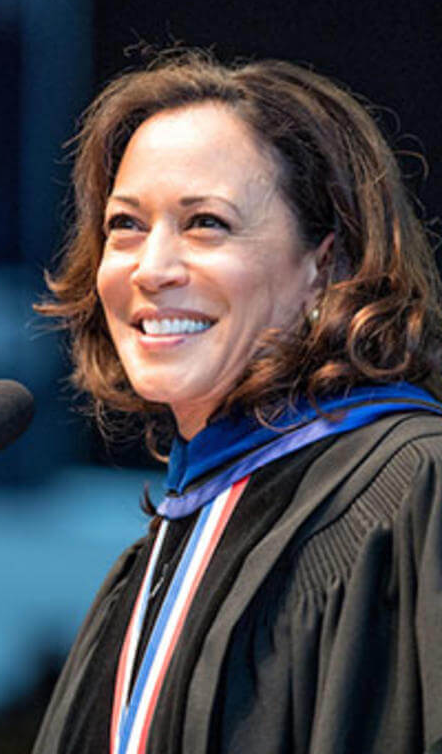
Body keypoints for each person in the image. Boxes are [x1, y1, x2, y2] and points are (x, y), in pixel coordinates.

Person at [32, 50, 442, 754]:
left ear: (326, 265)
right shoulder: (155, 562)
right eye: (125, 225)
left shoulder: (413, 490)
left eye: (206, 224)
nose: (152, 268)